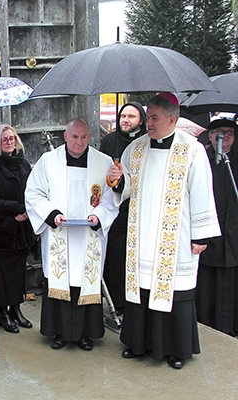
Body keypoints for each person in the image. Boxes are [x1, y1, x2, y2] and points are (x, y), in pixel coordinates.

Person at [108, 93, 220, 369]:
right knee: (141, 289)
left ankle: (175, 350)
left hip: (176, 235)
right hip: (142, 232)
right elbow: (127, 188)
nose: (149, 123)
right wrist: (117, 182)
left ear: (173, 119)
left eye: (155, 117)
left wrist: (200, 235)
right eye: (148, 117)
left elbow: (203, 191)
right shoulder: (135, 149)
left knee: (174, 290)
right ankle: (138, 343)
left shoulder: (192, 150)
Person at [25, 118, 118, 351]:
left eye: (84, 137)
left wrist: (98, 216)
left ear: (90, 137)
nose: (79, 142)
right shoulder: (48, 161)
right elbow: (33, 193)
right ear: (65, 136)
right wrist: (52, 214)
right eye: (74, 137)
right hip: (60, 233)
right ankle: (59, 333)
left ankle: (86, 334)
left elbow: (111, 199)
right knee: (60, 280)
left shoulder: (103, 162)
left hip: (89, 236)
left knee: (84, 282)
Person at [0, 125, 35, 334]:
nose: (9, 142)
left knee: (20, 272)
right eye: (4, 140)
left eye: (12, 138)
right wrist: (16, 211)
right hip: (3, 227)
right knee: (3, 274)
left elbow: (34, 191)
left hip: (22, 227)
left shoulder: (23, 165)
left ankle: (16, 308)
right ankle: (2, 310)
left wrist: (28, 211)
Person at [99, 102, 147, 314]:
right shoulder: (110, 141)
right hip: (117, 212)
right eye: (123, 116)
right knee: (116, 258)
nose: (125, 120)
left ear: (141, 120)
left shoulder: (147, 142)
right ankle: (117, 302)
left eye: (131, 117)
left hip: (142, 211)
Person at [195, 118, 238, 336]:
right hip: (209, 236)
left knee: (229, 286)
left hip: (232, 236)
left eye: (230, 132)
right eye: (220, 132)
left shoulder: (233, 162)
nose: (226, 136)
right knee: (206, 287)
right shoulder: (201, 160)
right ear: (211, 136)